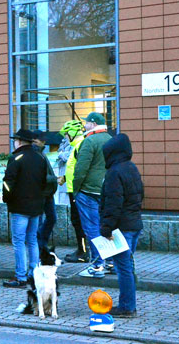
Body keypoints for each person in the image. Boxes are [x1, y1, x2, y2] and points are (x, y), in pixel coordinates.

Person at [100, 134, 144, 318]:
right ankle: (129, 304)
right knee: (129, 267)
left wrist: (106, 228)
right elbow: (139, 195)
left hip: (121, 228)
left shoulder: (114, 172)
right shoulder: (131, 168)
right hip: (134, 225)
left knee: (123, 268)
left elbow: (113, 203)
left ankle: (127, 306)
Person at [2, 129, 46, 288]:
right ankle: (34, 274)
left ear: (19, 141)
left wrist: (6, 200)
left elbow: (8, 183)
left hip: (19, 206)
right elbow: (45, 182)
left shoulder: (16, 158)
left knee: (19, 241)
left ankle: (20, 276)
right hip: (36, 206)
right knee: (32, 240)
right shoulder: (40, 158)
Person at [74, 112, 113, 278]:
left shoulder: (89, 141)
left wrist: (76, 189)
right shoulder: (110, 139)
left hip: (88, 191)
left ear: (93, 123)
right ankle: (111, 262)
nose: (85, 125)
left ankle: (97, 266)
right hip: (107, 191)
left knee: (92, 229)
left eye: (86, 123)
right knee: (108, 227)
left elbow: (81, 168)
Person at [57, 120, 88, 263]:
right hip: (73, 189)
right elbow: (73, 168)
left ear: (72, 133)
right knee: (78, 221)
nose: (65, 137)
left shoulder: (80, 146)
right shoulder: (77, 146)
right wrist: (64, 177)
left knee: (79, 221)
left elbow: (81, 170)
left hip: (77, 190)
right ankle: (83, 250)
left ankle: (83, 252)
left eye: (66, 134)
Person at [33, 132, 57, 250]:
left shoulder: (41, 153)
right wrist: (54, 179)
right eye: (38, 141)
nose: (43, 142)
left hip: (47, 192)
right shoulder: (36, 153)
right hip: (41, 192)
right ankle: (40, 246)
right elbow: (38, 176)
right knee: (41, 221)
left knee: (51, 218)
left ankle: (42, 244)